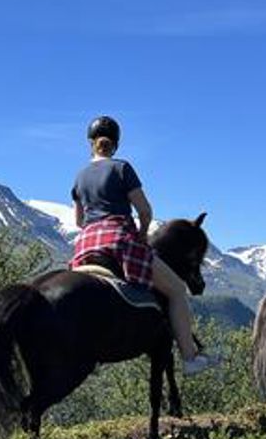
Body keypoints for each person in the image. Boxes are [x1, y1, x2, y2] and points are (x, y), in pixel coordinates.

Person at [68, 115, 217, 375]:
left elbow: (79, 220)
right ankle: (190, 358)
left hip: (85, 244)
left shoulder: (79, 177)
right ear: (115, 144)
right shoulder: (122, 168)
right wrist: (142, 233)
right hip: (118, 240)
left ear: (91, 143)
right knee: (177, 290)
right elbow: (145, 211)